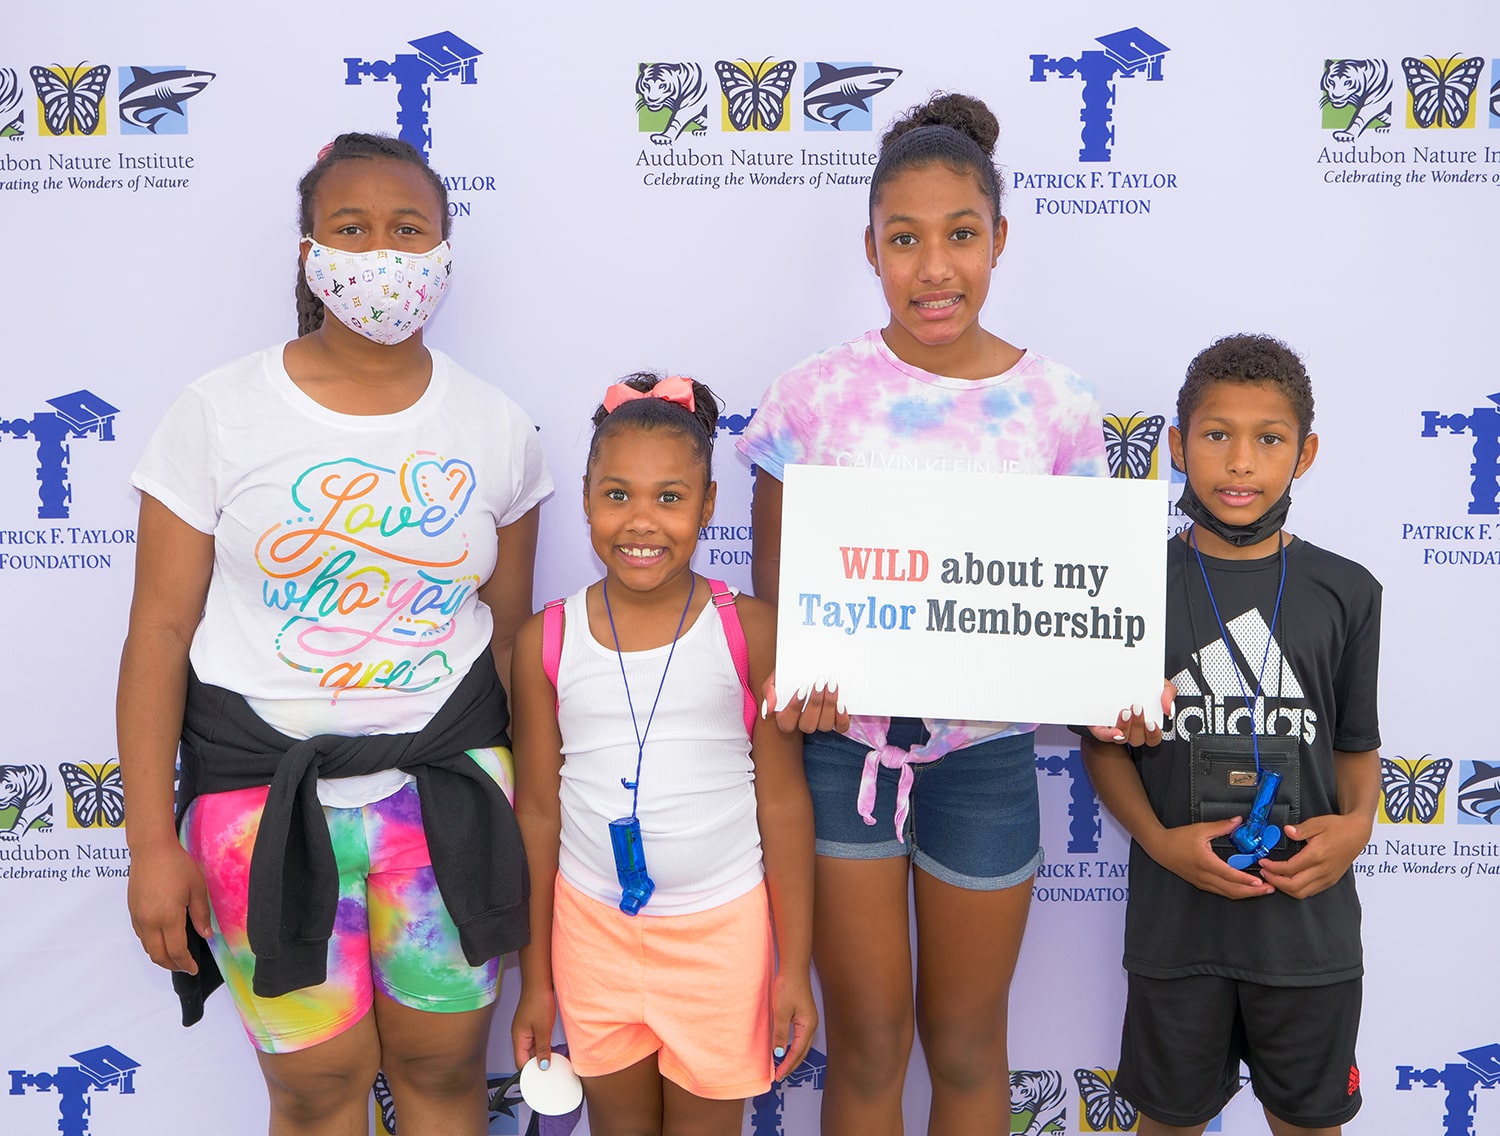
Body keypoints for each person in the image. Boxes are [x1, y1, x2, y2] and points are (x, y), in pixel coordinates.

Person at [118, 133, 552, 1136]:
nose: (382, 258)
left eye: (409, 230)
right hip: (256, 810)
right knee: (315, 1091)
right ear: (309, 252)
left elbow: (515, 644)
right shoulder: (218, 414)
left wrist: (547, 818)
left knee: (447, 1076)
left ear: (446, 252)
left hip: (451, 804)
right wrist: (149, 840)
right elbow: (157, 635)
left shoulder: (497, 429)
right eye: (350, 229)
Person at [738, 92, 1133, 1133]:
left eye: (961, 236)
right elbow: (778, 601)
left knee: (966, 1042)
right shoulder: (815, 396)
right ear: (869, 248)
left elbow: (1089, 605)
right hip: (843, 760)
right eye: (904, 240)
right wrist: (796, 675)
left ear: (1000, 239)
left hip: (989, 762)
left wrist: (1117, 689)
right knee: (866, 1042)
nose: (935, 267)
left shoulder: (1057, 405)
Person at [1080, 334, 1382, 1136]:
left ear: (1305, 454)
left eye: (1269, 439)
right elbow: (1102, 746)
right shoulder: (1129, 582)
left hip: (1307, 934)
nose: (1240, 463)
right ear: (1177, 446)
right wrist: (1157, 839)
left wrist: (1355, 829)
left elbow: (1357, 744)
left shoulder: (1349, 591)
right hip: (1179, 929)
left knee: (1311, 1125)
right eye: (1216, 436)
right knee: (1167, 1123)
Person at [510, 373, 816, 1136]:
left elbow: (780, 802)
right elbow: (539, 812)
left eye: (670, 498)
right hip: (591, 935)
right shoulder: (544, 639)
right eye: (618, 496)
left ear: (709, 505)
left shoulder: (750, 630)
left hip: (721, 940)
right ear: (584, 498)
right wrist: (535, 978)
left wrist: (794, 966)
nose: (641, 521)